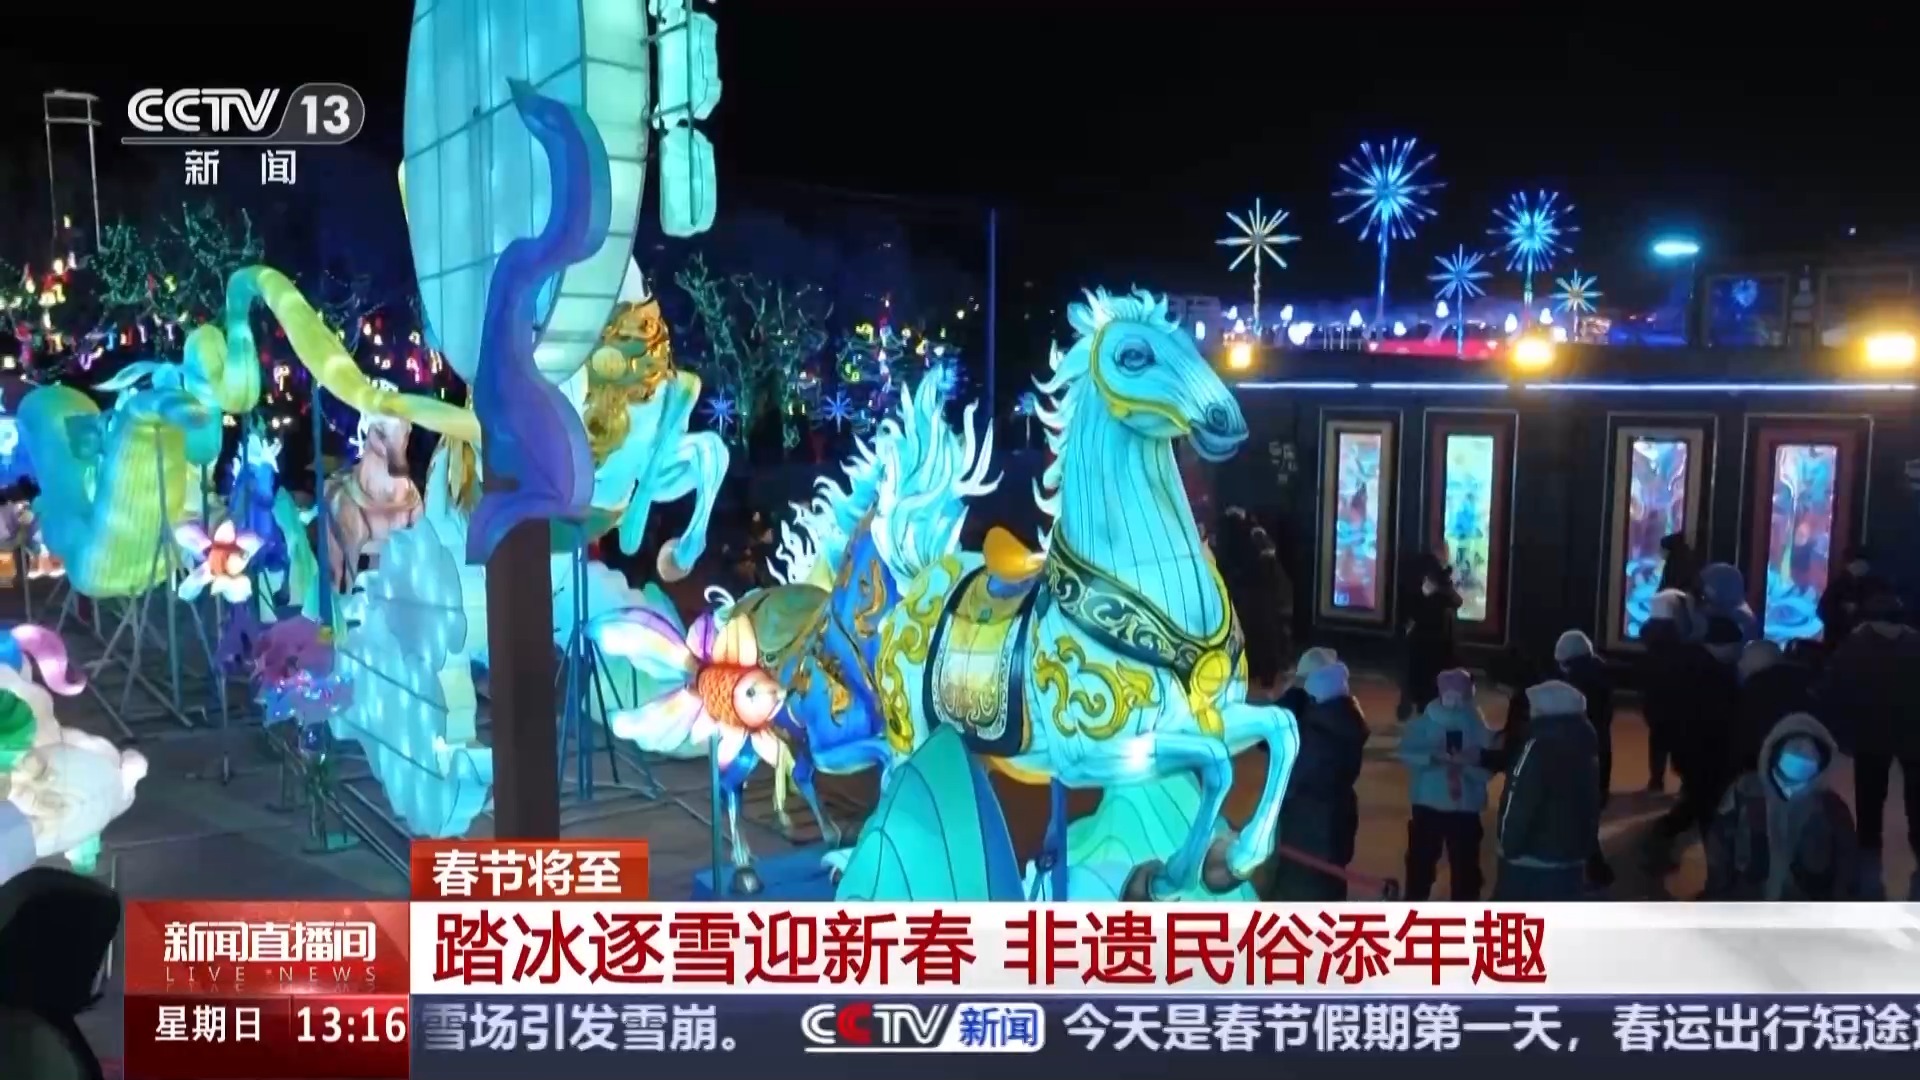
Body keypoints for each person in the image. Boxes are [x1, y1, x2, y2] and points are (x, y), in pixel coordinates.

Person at [1816, 584, 1920, 900]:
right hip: (1914, 737)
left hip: (1868, 737)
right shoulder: (1916, 644)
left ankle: (1869, 874)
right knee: (1917, 803)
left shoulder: (1854, 645)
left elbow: (1834, 689)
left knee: (1869, 802)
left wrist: (1841, 734)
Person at [1702, 713, 1858, 901]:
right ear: (1773, 752)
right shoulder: (1744, 792)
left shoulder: (1832, 808)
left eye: (1809, 756)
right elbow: (1718, 849)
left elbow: (1847, 869)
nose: (1802, 751)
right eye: (1794, 750)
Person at [1644, 593, 1742, 870]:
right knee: (1703, 806)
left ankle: (1663, 842)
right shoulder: (1712, 672)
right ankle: (1711, 866)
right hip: (1702, 750)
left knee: (1700, 803)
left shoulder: (1693, 662)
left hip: (1692, 749)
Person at [1266, 649, 1369, 900]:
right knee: (1328, 884)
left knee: (1302, 888)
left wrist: (1287, 705)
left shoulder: (1318, 731)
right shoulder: (1340, 719)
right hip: (1333, 821)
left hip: (1309, 827)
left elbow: (1273, 748)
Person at [1492, 680, 1601, 900]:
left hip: (1531, 861)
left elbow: (1519, 801)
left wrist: (1508, 845)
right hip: (1571, 859)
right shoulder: (1585, 745)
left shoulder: (1536, 747)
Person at [1398, 669, 1493, 900]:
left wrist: (1468, 764)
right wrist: (1431, 757)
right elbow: (1407, 752)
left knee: (1464, 867)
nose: (1453, 699)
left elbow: (1488, 765)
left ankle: (1463, 907)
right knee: (1421, 862)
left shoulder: (1476, 724)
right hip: (1429, 805)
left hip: (1463, 808)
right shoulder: (1425, 722)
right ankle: (1415, 903)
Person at [1554, 630, 1616, 887]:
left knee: (1578, 814)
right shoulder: (1601, 674)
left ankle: (1595, 870)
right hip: (1600, 754)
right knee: (1588, 811)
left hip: (1580, 758)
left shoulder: (1576, 688)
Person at [1734, 640, 1813, 772]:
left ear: (1752, 663)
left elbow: (1745, 742)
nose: (1739, 664)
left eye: (1743, 659)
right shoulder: (1811, 684)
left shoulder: (1752, 695)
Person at [1400, 553, 1462, 718]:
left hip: (1427, 656)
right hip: (1439, 657)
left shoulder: (1429, 603)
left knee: (1426, 696)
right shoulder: (1445, 601)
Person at [1817, 546, 1882, 648]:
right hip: (1839, 642)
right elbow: (1822, 611)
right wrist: (1844, 614)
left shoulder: (1869, 585)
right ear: (1852, 563)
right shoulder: (1838, 585)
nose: (1866, 566)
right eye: (1863, 562)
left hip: (1861, 643)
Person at [1657, 532, 1700, 597]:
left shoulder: (1676, 568)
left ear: (1668, 550)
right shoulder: (1671, 564)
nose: (1659, 552)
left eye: (1661, 549)